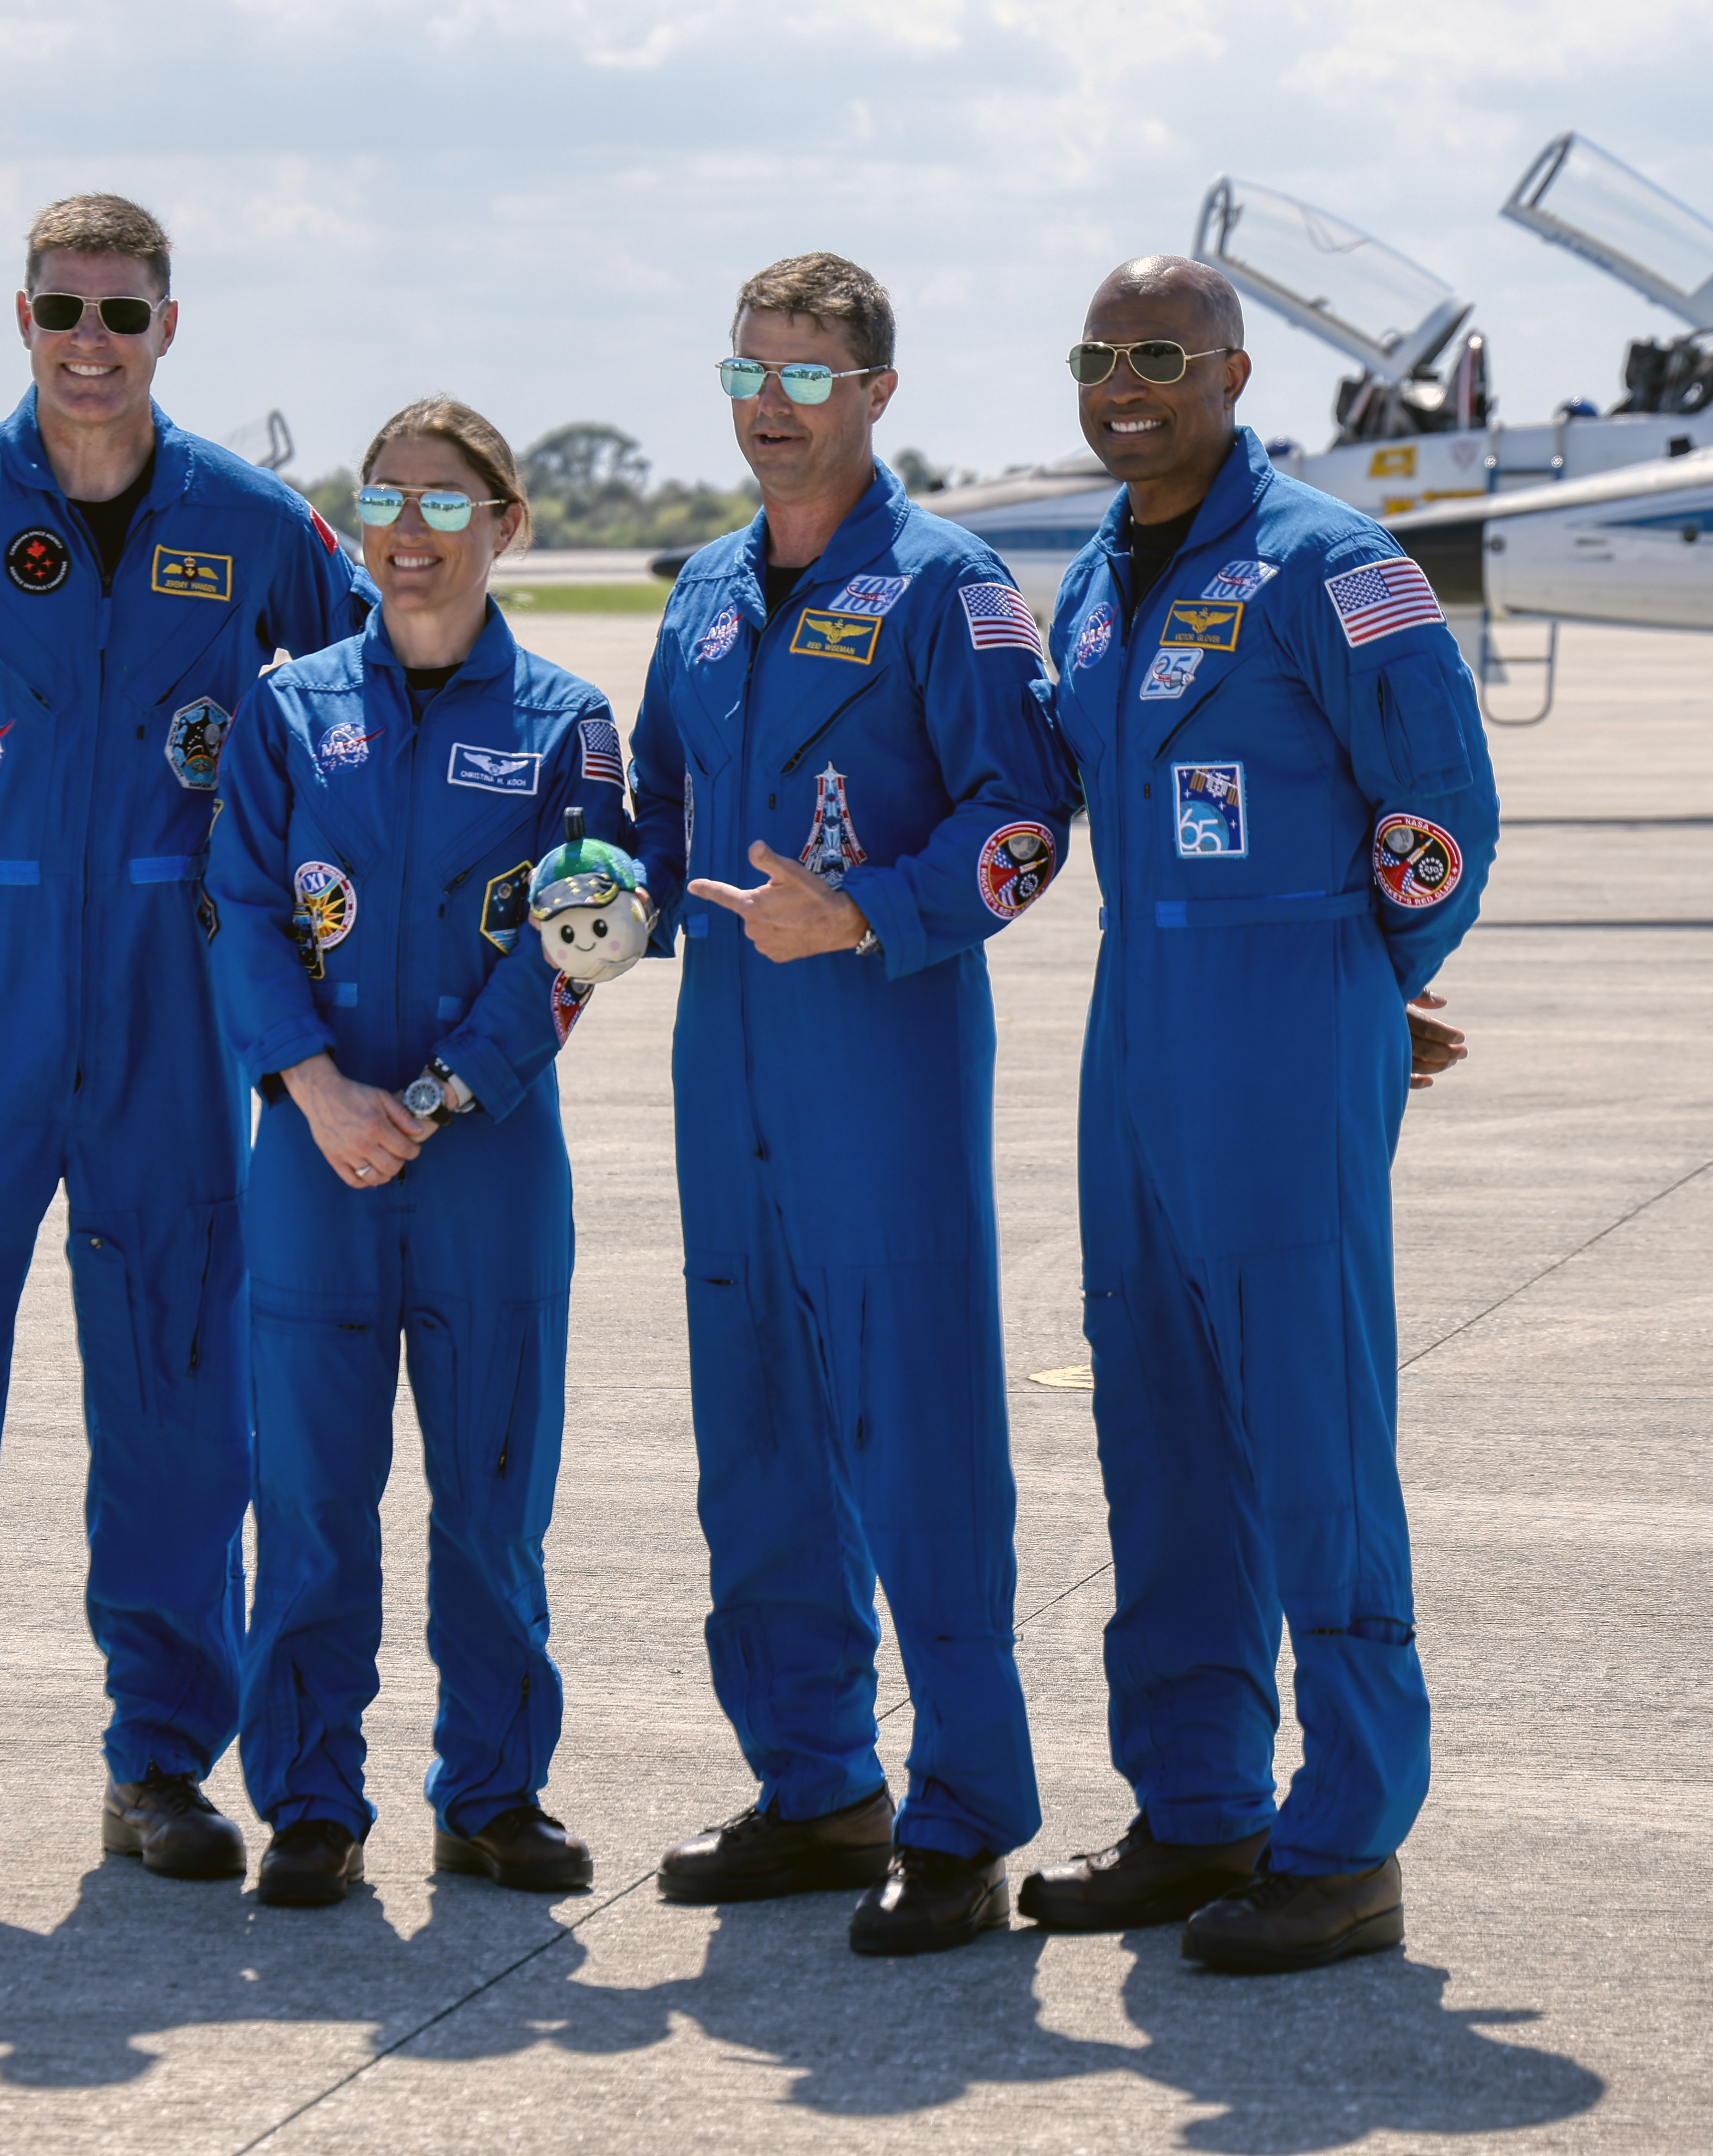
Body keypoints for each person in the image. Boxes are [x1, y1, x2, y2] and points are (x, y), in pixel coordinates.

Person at [0, 193, 372, 1897]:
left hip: (178, 1004)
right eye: (62, 312)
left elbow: (352, 735)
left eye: (122, 313)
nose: (90, 344)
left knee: (183, 1392)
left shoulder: (258, 530)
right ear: (20, 321)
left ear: (170, 327)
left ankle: (164, 1760)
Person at [1012, 256, 1496, 1973]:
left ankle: (1348, 1831)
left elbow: (1437, 809)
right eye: (1098, 355)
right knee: (1157, 1431)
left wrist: (1367, 987)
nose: (1123, 382)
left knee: (1307, 1425)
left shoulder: (1333, 565)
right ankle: (1198, 1803)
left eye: (1158, 354)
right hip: (1131, 1045)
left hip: (1283, 1032)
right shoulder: (1087, 580)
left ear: (1227, 369)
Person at [629, 254, 1076, 1956]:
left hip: (874, 1057)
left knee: (918, 1438)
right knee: (753, 1438)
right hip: (721, 1066)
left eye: (807, 375)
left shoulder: (945, 590)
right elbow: (655, 795)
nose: (770, 403)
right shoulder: (700, 595)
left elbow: (1025, 817)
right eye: (749, 369)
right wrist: (610, 883)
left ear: (875, 395)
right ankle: (815, 1782)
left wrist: (875, 906)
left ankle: (961, 1815)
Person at [204, 398, 635, 1909]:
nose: (409, 530)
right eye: (384, 499)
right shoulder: (287, 707)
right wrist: (319, 1092)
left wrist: (440, 1096)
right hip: (313, 1159)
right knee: (311, 1500)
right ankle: (311, 1800)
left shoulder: (568, 724)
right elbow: (241, 912)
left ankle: (493, 1792)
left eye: (447, 504)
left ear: (505, 527)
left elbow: (580, 934)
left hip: (486, 1163)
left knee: (492, 1496)